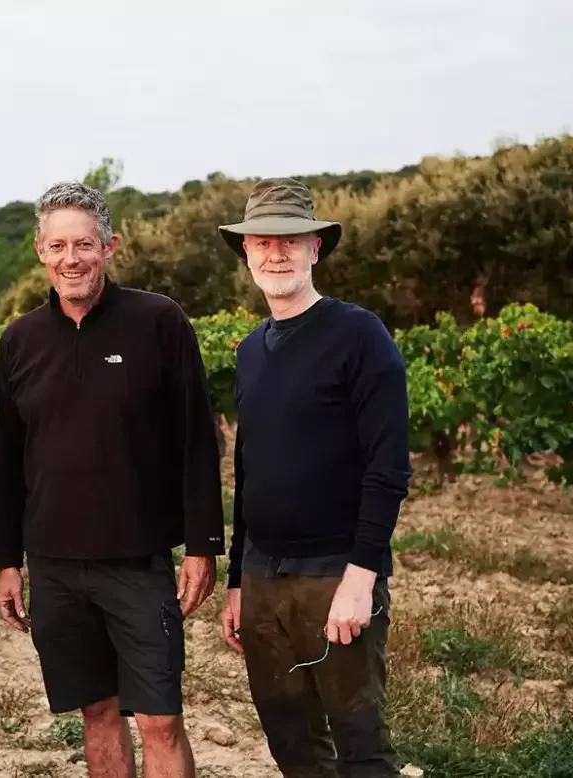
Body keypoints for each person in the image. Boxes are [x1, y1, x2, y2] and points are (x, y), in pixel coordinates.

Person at [0, 181, 225, 778]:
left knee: (161, 719)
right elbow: (8, 461)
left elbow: (200, 442)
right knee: (97, 710)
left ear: (109, 246)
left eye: (85, 245)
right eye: (59, 246)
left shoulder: (159, 322)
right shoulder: (19, 341)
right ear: (41, 252)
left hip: (138, 563)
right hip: (53, 565)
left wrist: (201, 546)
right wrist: (6, 560)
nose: (73, 259)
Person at [216, 178, 411, 777]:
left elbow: (388, 467)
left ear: (315, 249)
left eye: (290, 241)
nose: (275, 253)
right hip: (262, 576)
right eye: (262, 242)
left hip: (335, 574)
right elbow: (248, 470)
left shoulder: (359, 334)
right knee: (291, 743)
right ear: (246, 253)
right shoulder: (251, 350)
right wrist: (236, 579)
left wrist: (361, 576)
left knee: (361, 744)